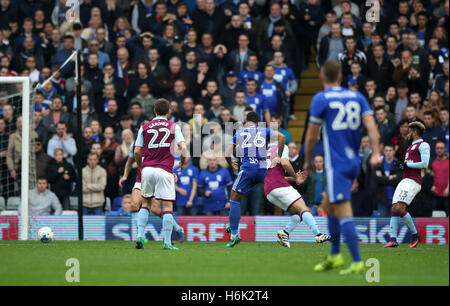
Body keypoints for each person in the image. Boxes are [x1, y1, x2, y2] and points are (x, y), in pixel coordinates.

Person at [304, 60, 382, 275]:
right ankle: (335, 255)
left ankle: (356, 261)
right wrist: (376, 153)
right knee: (327, 207)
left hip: (336, 164)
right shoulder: (357, 97)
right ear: (341, 77)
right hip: (354, 161)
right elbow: (372, 127)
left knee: (343, 211)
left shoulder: (321, 98)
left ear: (321, 78)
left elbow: (312, 136)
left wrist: (308, 159)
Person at [224, 111, 285, 248]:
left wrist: (230, 162)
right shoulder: (265, 130)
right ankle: (294, 221)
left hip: (248, 170)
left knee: (234, 199)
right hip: (263, 170)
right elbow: (281, 137)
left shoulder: (240, 133)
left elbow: (227, 152)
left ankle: (234, 234)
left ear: (247, 121)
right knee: (281, 194)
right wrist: (279, 156)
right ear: (259, 122)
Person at [134, 99, 189, 250]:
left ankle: (139, 236)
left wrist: (140, 166)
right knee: (168, 206)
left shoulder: (144, 127)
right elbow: (183, 148)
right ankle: (167, 242)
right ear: (169, 111)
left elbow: (137, 151)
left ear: (154, 111)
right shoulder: (173, 126)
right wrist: (183, 163)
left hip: (147, 169)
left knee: (145, 203)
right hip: (164, 170)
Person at [265, 143, 330, 248]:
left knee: (299, 213)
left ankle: (285, 232)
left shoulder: (266, 151)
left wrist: (293, 179)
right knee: (304, 209)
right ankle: (318, 234)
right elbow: (285, 163)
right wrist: (295, 176)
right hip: (279, 186)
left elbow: (272, 175)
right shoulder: (282, 146)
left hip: (268, 191)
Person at [384, 121, 430, 248]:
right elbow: (408, 165)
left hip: (413, 181)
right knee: (394, 208)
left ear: (415, 132)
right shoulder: (410, 147)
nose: (407, 134)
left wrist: (407, 165)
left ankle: (415, 235)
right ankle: (393, 239)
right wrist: (402, 166)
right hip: (405, 179)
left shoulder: (423, 145)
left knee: (399, 208)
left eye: (409, 131)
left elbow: (425, 164)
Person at [430, 141, 449, 216]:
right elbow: (428, 176)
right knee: (435, 217)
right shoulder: (432, 162)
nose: (439, 150)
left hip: (447, 194)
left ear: (445, 149)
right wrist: (431, 186)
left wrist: (448, 188)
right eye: (437, 148)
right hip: (435, 195)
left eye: (441, 148)